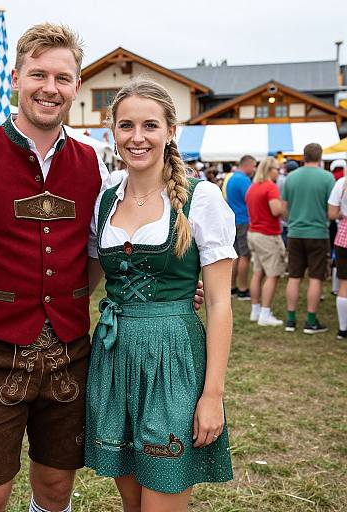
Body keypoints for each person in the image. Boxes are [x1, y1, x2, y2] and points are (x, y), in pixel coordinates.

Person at [0, 22, 205, 512]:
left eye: (63, 78)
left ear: (76, 87)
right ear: (16, 78)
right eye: (39, 75)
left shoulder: (92, 163)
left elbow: (100, 253)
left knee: (55, 489)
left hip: (71, 352)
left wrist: (163, 292)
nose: (50, 88)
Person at [86, 78, 234, 511]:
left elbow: (222, 303)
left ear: (171, 130)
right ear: (112, 131)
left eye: (149, 125)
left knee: (161, 502)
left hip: (173, 361)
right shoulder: (106, 196)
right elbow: (91, 278)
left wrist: (212, 395)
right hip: (114, 360)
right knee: (132, 503)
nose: (137, 137)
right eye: (126, 125)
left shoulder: (201, 199)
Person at [282, 143, 335, 334]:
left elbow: (283, 209)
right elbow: (332, 211)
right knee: (315, 277)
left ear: (303, 157)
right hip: (318, 233)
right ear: (320, 157)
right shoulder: (327, 178)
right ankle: (311, 321)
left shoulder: (291, 177)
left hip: (295, 233)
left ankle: (290, 319)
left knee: (294, 277)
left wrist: (294, 219)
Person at [245, 157, 285, 326]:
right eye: (277, 168)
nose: (279, 171)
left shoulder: (253, 187)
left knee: (258, 272)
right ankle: (265, 314)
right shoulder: (270, 187)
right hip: (268, 235)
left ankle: (255, 311)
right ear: (270, 169)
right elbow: (276, 211)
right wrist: (284, 206)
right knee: (273, 274)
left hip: (254, 233)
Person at [225, 155, 256, 299]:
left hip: (233, 220)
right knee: (245, 255)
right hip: (243, 220)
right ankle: (243, 289)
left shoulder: (231, 178)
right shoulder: (244, 180)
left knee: (235, 255)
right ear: (247, 165)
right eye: (253, 166)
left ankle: (231, 287)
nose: (254, 169)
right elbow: (250, 199)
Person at [328, 166, 347, 339]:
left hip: (344, 236)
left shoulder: (342, 183)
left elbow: (332, 213)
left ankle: (343, 328)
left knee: (344, 284)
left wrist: (343, 213)